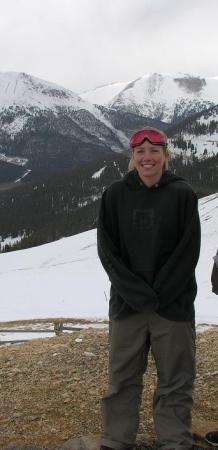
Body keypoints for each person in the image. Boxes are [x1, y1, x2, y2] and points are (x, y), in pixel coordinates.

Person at [97, 126, 201, 450]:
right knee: (123, 379)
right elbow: (107, 251)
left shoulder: (183, 194)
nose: (147, 158)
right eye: (140, 152)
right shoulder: (114, 195)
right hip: (128, 306)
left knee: (175, 380)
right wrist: (138, 294)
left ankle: (174, 440)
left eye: (154, 151)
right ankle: (115, 440)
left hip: (173, 307)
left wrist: (158, 295)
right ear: (132, 157)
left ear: (165, 155)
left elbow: (188, 252)